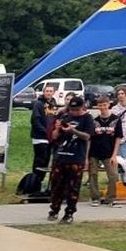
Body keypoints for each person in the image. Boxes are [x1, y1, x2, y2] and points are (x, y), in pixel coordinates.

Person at [48, 96, 95, 224]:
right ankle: (54, 209)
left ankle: (69, 212)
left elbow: (87, 136)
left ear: (82, 107)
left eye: (76, 110)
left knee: (73, 187)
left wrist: (73, 130)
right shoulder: (65, 117)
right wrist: (58, 128)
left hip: (76, 157)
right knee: (56, 185)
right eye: (71, 109)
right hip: (61, 155)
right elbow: (54, 136)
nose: (73, 112)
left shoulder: (87, 118)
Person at [88, 95, 123, 207]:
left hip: (109, 152)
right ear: (97, 106)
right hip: (94, 151)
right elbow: (89, 139)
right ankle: (95, 197)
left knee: (113, 175)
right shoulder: (94, 121)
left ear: (109, 105)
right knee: (93, 174)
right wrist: (86, 156)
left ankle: (110, 198)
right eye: (100, 105)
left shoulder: (116, 120)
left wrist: (114, 155)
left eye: (104, 105)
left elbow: (118, 137)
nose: (102, 107)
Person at [31, 85, 57, 189]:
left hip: (50, 138)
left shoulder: (53, 104)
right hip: (40, 137)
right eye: (47, 91)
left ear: (53, 92)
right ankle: (35, 182)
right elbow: (35, 120)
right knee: (40, 161)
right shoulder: (38, 104)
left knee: (46, 161)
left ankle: (41, 182)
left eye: (51, 91)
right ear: (43, 92)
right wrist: (46, 131)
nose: (49, 93)